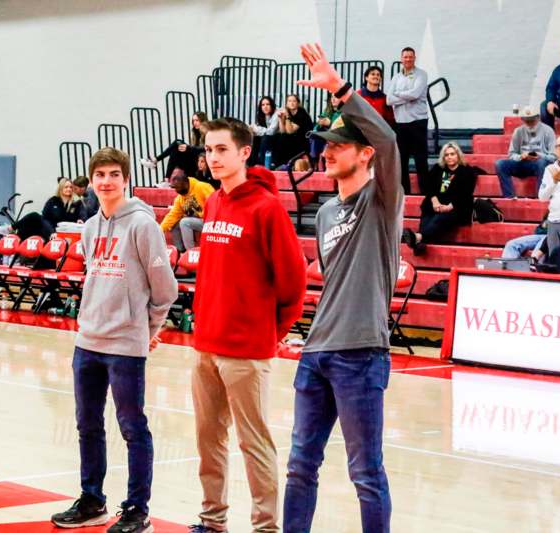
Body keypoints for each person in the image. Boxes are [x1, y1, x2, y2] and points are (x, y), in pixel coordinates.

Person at [283, 43, 403, 533]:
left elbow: (392, 142)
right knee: (299, 465)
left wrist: (339, 89)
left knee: (365, 473)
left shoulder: (382, 198)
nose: (326, 152)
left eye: (338, 144)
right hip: (317, 352)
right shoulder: (326, 212)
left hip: (361, 353)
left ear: (365, 152)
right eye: (325, 145)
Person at [188, 117, 307, 533]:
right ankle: (212, 520)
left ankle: (265, 527)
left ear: (244, 153)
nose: (213, 158)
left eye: (222, 149)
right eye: (208, 150)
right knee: (208, 441)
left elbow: (295, 283)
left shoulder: (267, 207)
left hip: (247, 350)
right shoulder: (213, 203)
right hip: (206, 344)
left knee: (253, 444)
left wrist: (267, 336)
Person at [51, 147, 177, 531]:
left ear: (125, 179)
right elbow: (96, 279)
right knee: (87, 424)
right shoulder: (89, 227)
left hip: (125, 345)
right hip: (87, 340)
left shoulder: (142, 225)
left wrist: (146, 331)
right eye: (99, 175)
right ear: (91, 181)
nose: (106, 181)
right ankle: (92, 500)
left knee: (132, 426)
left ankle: (137, 509)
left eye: (113, 174)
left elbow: (165, 290)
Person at [401, 142, 477, 255]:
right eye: (446, 155)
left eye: (452, 154)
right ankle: (419, 242)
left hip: (457, 206)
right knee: (428, 210)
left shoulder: (466, 171)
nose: (449, 157)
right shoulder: (438, 169)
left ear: (458, 155)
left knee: (441, 217)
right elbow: (428, 186)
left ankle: (418, 237)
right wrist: (434, 200)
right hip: (438, 204)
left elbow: (465, 194)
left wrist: (449, 206)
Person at [386, 46, 429, 194]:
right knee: (402, 160)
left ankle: (425, 192)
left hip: (418, 122)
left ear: (415, 58)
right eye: (405, 57)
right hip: (401, 124)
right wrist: (406, 96)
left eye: (411, 57)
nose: (408, 59)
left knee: (420, 160)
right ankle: (405, 192)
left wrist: (398, 94)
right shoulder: (396, 77)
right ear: (401, 59)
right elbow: (388, 100)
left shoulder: (422, 75)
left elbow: (415, 94)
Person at [495, 106, 556, 199]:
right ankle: (509, 197)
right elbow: (511, 154)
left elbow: (554, 156)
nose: (529, 123)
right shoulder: (518, 131)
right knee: (500, 164)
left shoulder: (548, 131)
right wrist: (521, 157)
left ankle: (541, 197)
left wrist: (539, 155)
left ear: (538, 118)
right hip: (522, 163)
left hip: (540, 164)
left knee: (541, 163)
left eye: (532, 120)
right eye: (527, 120)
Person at [6, 179, 83, 241]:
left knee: (34, 217)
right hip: (49, 230)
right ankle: (13, 233)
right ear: (61, 188)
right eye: (66, 187)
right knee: (33, 217)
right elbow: (44, 219)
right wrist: (51, 232)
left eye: (70, 187)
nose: (69, 189)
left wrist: (81, 219)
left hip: (66, 232)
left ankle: (12, 231)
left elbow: (82, 215)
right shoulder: (53, 200)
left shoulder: (76, 202)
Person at [159, 169, 214, 252]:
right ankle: (180, 252)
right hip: (199, 222)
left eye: (177, 187)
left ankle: (190, 253)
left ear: (184, 182)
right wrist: (159, 230)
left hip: (211, 221)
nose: (176, 190)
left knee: (185, 222)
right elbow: (172, 216)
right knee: (174, 224)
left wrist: (200, 215)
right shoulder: (179, 199)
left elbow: (215, 204)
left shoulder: (201, 187)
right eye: (174, 188)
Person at [141, 112, 208, 178]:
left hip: (199, 161)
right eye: (193, 121)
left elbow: (205, 148)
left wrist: (189, 148)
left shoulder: (207, 133)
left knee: (177, 142)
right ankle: (166, 179)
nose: (194, 123)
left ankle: (156, 160)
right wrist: (189, 148)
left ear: (203, 121)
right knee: (175, 150)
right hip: (193, 160)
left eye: (197, 120)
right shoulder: (195, 133)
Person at [273, 94, 314, 168]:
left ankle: (282, 164)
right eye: (289, 101)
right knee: (278, 136)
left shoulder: (301, 114)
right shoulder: (288, 112)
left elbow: (290, 131)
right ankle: (277, 164)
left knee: (284, 138)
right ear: (286, 103)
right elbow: (282, 131)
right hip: (293, 139)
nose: (291, 103)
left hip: (303, 141)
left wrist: (287, 117)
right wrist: (280, 118)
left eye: (294, 101)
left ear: (298, 103)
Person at [309, 93, 342, 163]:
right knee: (314, 136)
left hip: (339, 138)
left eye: (336, 97)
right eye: (332, 97)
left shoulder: (345, 112)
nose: (333, 99)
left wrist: (330, 123)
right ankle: (314, 163)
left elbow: (342, 129)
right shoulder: (327, 110)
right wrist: (320, 124)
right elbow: (316, 127)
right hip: (325, 137)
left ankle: (317, 162)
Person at [250, 96, 280, 166]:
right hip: (269, 138)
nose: (265, 107)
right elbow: (262, 131)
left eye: (267, 104)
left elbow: (271, 131)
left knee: (265, 138)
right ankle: (251, 163)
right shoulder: (263, 115)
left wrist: (256, 129)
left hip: (279, 139)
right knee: (254, 138)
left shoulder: (276, 114)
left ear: (272, 105)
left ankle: (262, 163)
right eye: (263, 105)